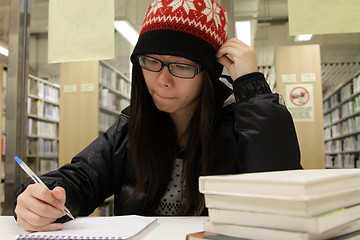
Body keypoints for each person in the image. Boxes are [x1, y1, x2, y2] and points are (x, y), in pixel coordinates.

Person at [14, 0, 302, 232]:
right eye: (151, 61)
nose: (162, 80)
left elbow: (283, 191)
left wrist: (251, 85)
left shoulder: (240, 123)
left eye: (182, 66)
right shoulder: (130, 128)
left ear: (209, 76)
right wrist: (41, 198)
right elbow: (80, 178)